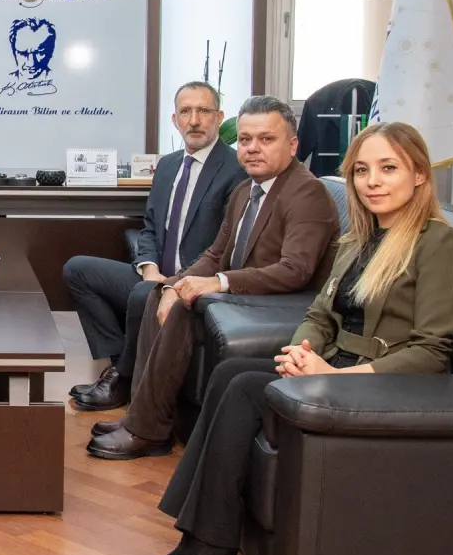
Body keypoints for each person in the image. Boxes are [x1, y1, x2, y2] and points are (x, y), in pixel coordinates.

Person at [150, 122, 453, 555]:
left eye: (388, 168)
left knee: (244, 387)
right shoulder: (359, 239)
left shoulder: (439, 243)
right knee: (230, 373)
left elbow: (433, 350)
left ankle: (205, 540)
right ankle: (207, 531)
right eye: (361, 170)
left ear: (419, 174)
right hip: (333, 367)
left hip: (385, 385)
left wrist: (336, 377)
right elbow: (321, 315)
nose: (372, 182)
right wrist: (301, 353)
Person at [88, 95, 340, 460]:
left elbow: (294, 271)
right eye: (246, 139)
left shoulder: (306, 191)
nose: (252, 148)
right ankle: (142, 417)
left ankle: (147, 431)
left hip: (283, 303)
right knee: (160, 293)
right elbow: (214, 254)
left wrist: (218, 282)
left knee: (185, 307)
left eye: (266, 139)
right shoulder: (246, 190)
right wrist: (174, 284)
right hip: (249, 295)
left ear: (292, 145)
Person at [65, 82, 247, 410]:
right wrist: (149, 268)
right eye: (186, 112)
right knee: (77, 270)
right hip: (156, 277)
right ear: (175, 120)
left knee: (141, 295)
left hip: (196, 284)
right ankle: (121, 364)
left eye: (203, 111)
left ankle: (121, 379)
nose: (194, 120)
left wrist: (173, 284)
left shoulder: (236, 170)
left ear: (219, 118)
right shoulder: (167, 165)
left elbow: (226, 247)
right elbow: (150, 227)